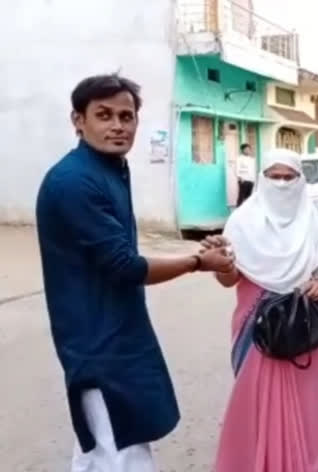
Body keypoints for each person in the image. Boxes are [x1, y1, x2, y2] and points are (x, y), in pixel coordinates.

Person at [36, 74, 236, 472]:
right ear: (78, 120)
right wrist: (199, 262)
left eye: (126, 117)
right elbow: (124, 265)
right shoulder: (75, 182)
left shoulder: (108, 169)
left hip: (118, 336)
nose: (117, 126)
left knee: (101, 455)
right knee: (123, 455)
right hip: (99, 347)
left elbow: (119, 255)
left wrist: (196, 253)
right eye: (104, 115)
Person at [204, 148, 318, 472]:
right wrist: (223, 263)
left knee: (304, 407)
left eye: (289, 177)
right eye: (274, 177)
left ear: (300, 181)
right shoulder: (241, 221)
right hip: (257, 332)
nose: (281, 184)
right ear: (262, 179)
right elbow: (228, 280)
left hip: (304, 331)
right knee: (254, 405)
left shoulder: (314, 222)